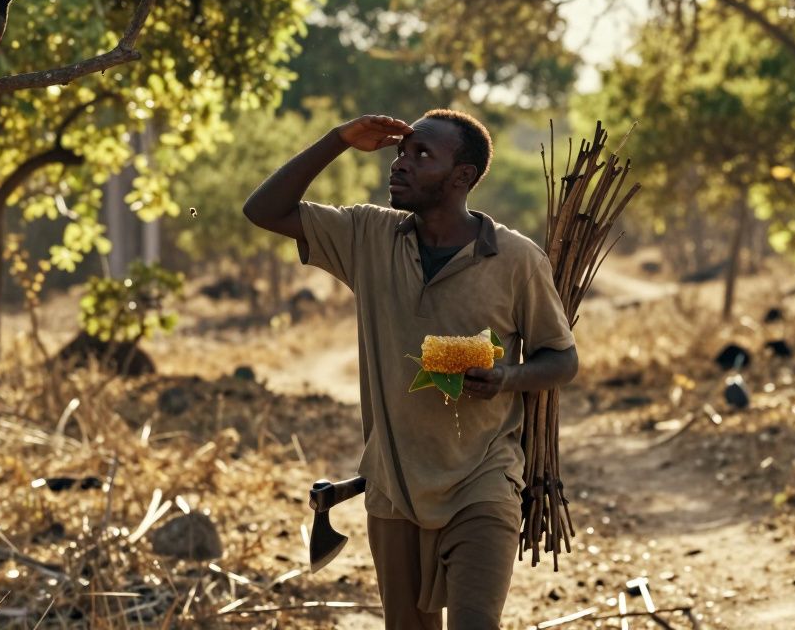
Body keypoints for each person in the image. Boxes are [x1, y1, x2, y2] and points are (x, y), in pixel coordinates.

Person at [243, 110, 579, 629]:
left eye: (422, 155)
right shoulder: (367, 236)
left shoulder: (516, 260)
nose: (400, 163)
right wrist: (338, 140)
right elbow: (263, 209)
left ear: (462, 176)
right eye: (402, 151)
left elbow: (562, 357)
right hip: (394, 486)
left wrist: (507, 378)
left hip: (484, 480)